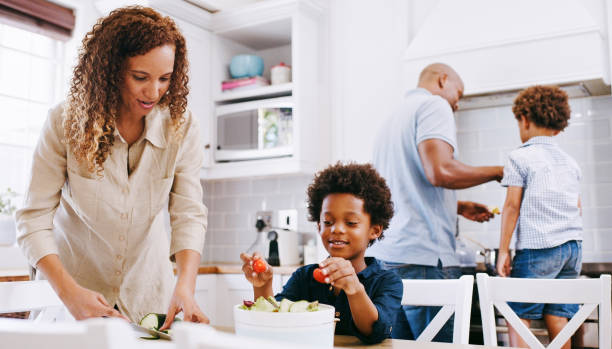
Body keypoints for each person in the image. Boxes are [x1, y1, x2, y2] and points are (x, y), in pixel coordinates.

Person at [15, 6, 208, 328]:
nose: (154, 92)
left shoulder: (181, 127)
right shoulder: (65, 123)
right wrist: (69, 293)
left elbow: (188, 212)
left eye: (165, 78)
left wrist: (185, 287)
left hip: (148, 295)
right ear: (110, 71)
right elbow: (32, 218)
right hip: (71, 294)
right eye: (140, 77)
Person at [368, 63, 504, 342]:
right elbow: (440, 171)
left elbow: (401, 189)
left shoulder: (391, 119)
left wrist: (456, 206)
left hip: (388, 260)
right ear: (443, 80)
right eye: (459, 94)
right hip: (424, 260)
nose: (457, 104)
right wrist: (500, 171)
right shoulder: (434, 106)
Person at [240, 163, 402, 344]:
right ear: (319, 226)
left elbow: (375, 333)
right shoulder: (304, 277)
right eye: (328, 221)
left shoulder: (387, 281)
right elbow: (276, 321)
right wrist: (262, 286)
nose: (337, 229)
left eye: (351, 222)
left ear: (375, 230)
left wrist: (354, 289)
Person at [496, 85, 582, 349]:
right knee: (559, 316)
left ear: (524, 118)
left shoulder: (519, 157)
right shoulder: (570, 162)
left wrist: (503, 251)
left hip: (538, 249)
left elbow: (511, 207)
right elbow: (577, 207)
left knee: (519, 316)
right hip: (572, 248)